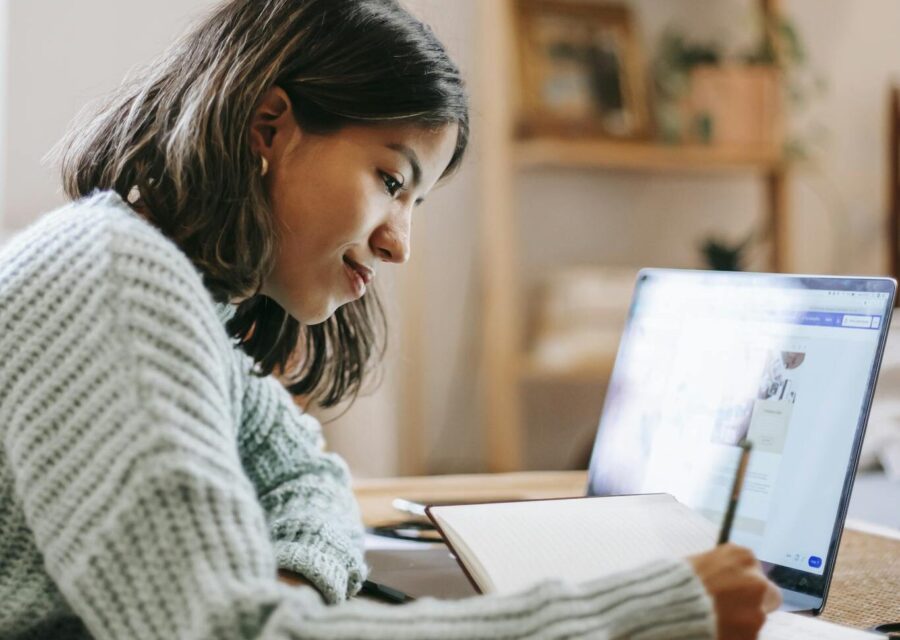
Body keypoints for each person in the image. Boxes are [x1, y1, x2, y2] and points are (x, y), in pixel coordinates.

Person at [0, 1, 781, 638]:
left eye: (415, 202)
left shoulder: (180, 303)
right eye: (390, 178)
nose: (398, 244)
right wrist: (638, 613)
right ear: (269, 127)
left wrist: (289, 580)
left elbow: (309, 479)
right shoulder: (112, 279)